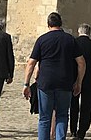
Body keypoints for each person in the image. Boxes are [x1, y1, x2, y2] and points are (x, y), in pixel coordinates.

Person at [23, 12, 86, 140]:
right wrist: (78, 82)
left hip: (46, 83)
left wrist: (26, 84)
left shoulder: (42, 40)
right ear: (60, 24)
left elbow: (31, 63)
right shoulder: (70, 39)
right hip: (65, 82)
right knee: (62, 115)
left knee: (44, 118)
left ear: (48, 25)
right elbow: (81, 62)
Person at [69, 23, 91, 139]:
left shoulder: (74, 43)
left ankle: (73, 130)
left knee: (73, 105)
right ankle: (82, 131)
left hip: (74, 78)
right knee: (86, 106)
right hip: (89, 80)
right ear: (89, 32)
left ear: (79, 31)